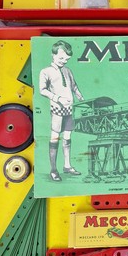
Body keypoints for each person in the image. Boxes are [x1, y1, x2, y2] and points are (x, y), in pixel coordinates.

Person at [39, 40, 84, 181]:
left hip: (70, 109)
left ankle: (67, 165)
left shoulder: (67, 70)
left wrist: (79, 95)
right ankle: (53, 169)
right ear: (53, 55)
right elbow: (42, 90)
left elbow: (74, 86)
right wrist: (58, 98)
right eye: (61, 58)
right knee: (54, 137)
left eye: (67, 59)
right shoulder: (46, 71)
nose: (64, 61)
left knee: (68, 136)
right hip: (57, 109)